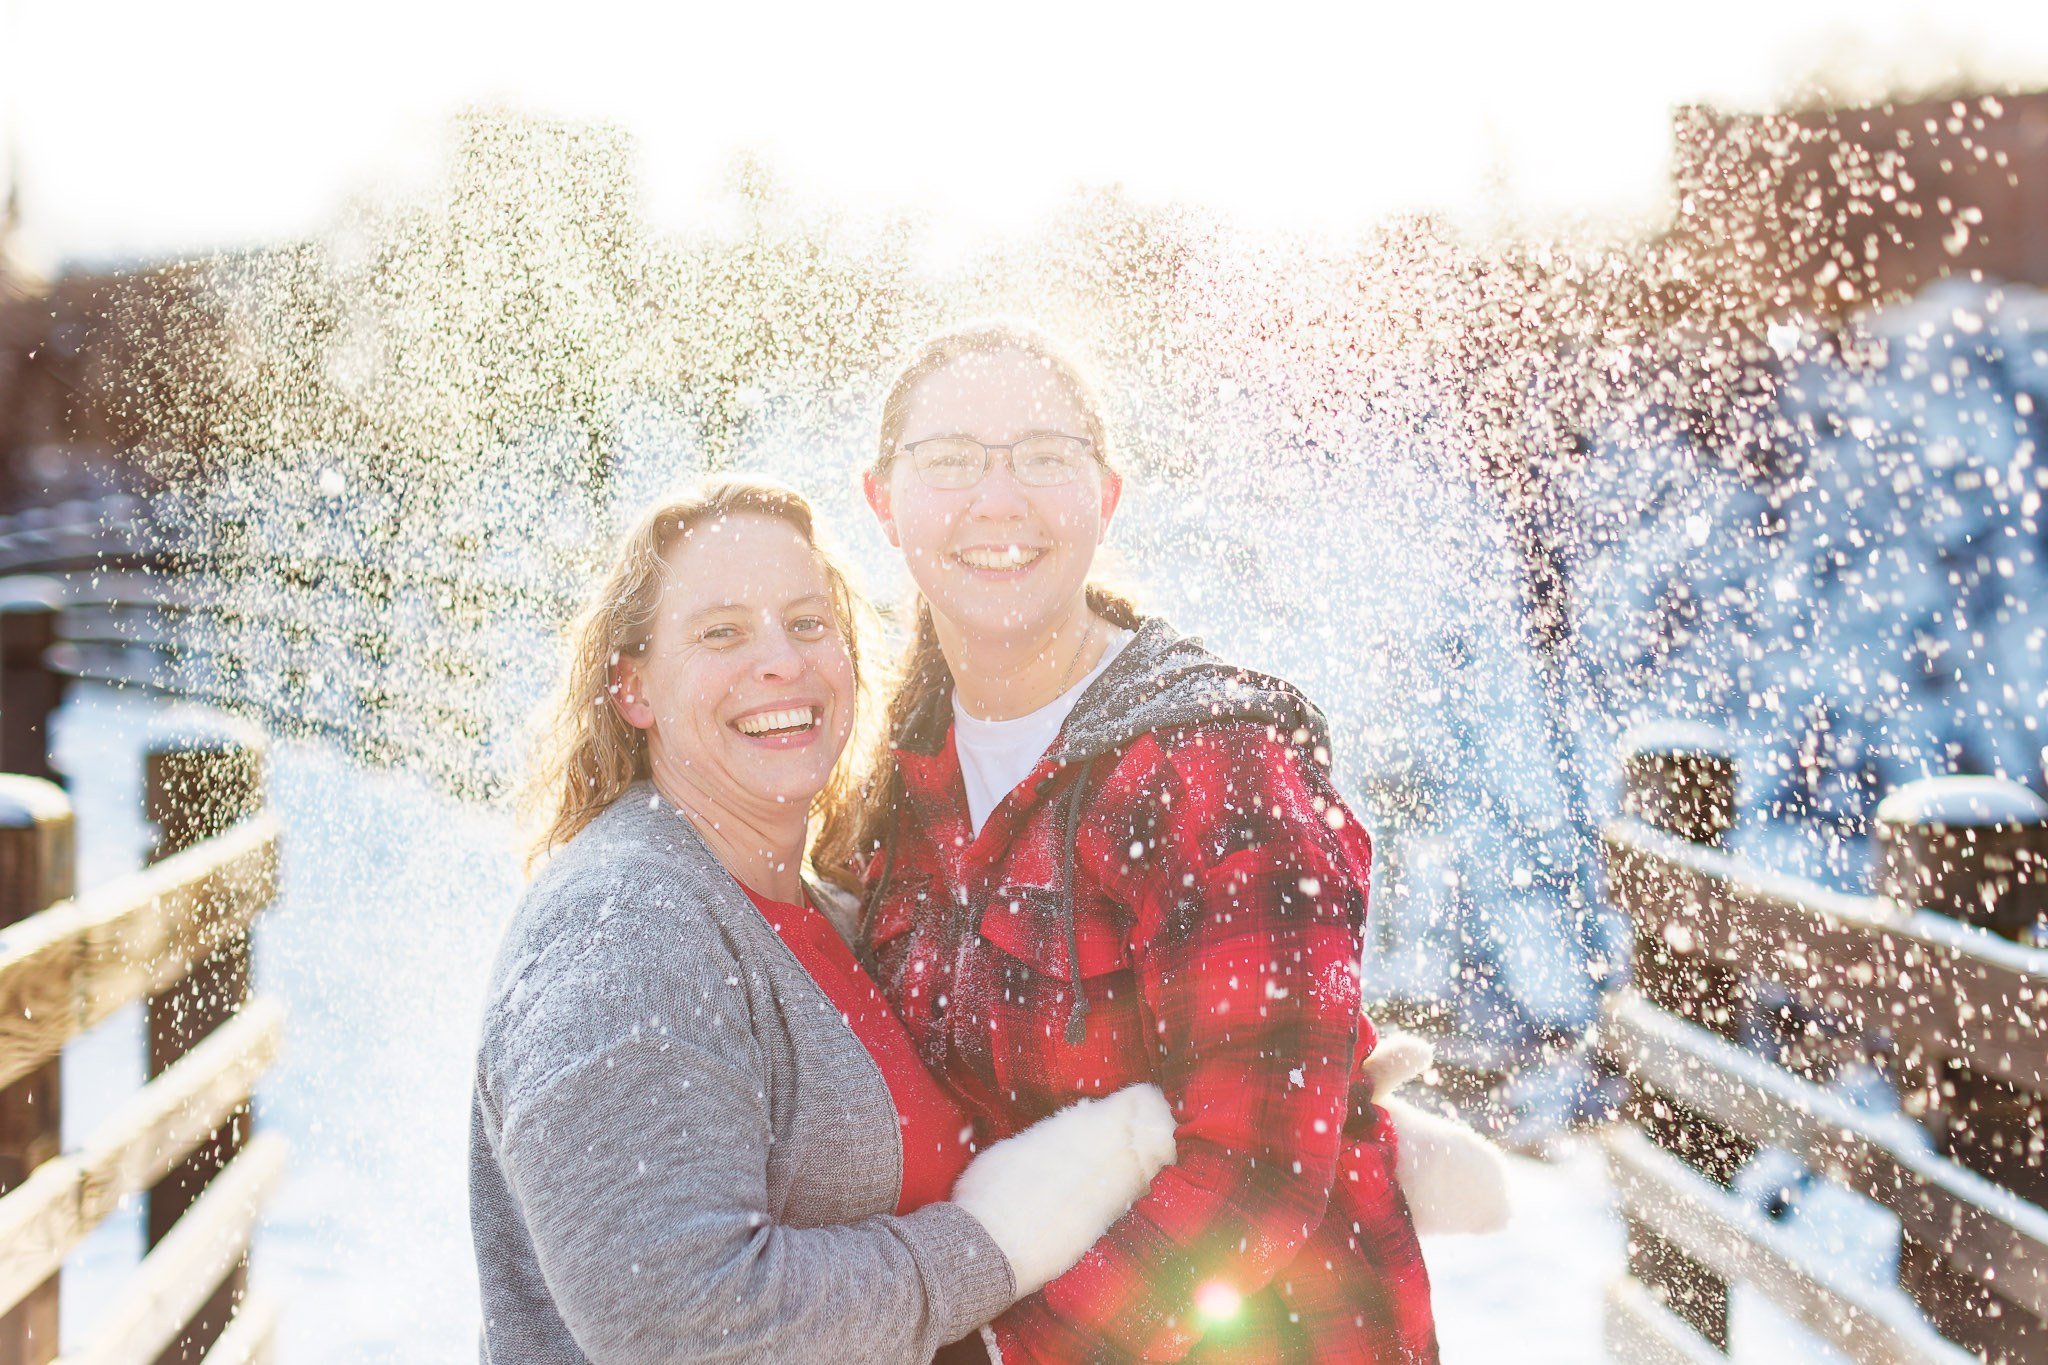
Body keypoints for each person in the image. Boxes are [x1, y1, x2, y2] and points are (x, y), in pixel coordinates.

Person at [834, 322, 1442, 1361]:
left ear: (1104, 496)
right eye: (947, 461)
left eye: (1042, 456)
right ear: (883, 503)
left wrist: (998, 1352)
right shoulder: (890, 781)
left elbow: (1251, 1172)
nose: (996, 498)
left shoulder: (1208, 768)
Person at [470, 479, 1179, 1363]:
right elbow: (690, 1323)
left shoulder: (831, 912)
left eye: (808, 623)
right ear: (633, 687)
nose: (780, 662)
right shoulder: (626, 931)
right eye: (722, 632)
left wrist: (1248, 1059)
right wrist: (982, 1246)